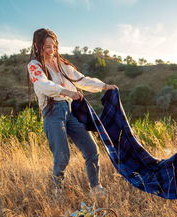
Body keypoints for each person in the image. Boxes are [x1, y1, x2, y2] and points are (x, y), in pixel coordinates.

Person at [27, 28, 117, 196]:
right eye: (47, 47)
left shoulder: (61, 64)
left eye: (53, 46)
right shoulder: (35, 66)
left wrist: (104, 86)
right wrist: (68, 92)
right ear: (37, 46)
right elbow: (42, 84)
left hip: (71, 110)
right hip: (53, 111)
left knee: (91, 149)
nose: (51, 50)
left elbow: (80, 79)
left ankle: (95, 188)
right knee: (62, 156)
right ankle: (58, 192)